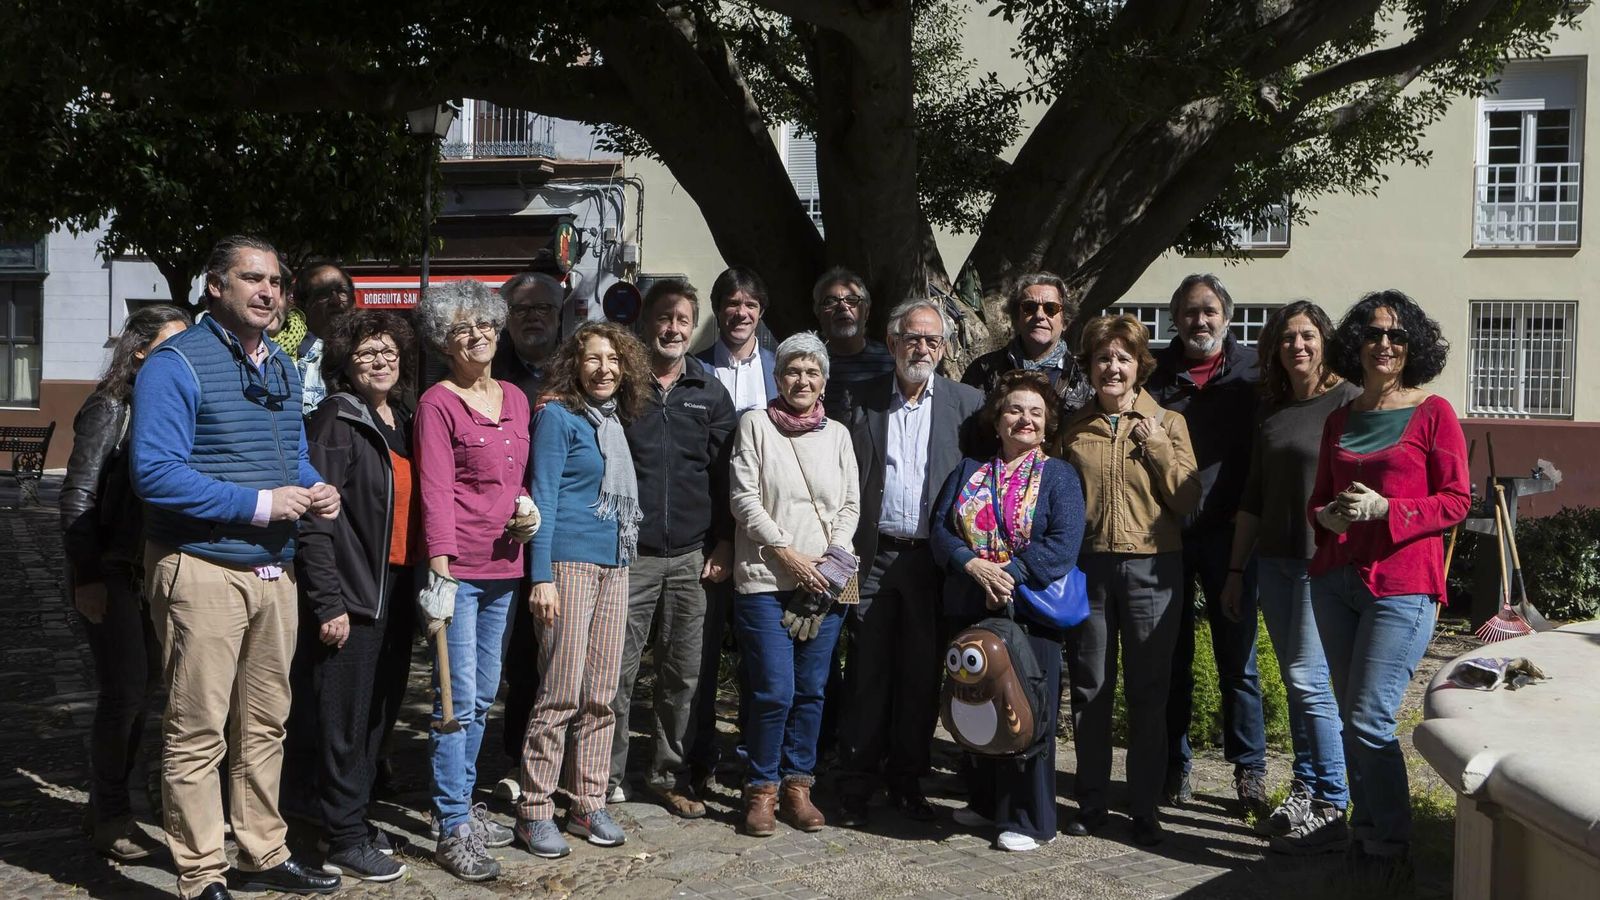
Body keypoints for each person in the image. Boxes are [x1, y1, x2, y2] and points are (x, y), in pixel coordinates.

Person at [131, 235, 341, 899]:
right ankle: (200, 875)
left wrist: (314, 487)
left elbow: (290, 456)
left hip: (271, 570)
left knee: (264, 723)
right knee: (196, 729)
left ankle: (262, 852)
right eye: (253, 279)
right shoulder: (174, 363)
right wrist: (259, 504)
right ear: (215, 286)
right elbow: (155, 475)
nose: (269, 291)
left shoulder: (278, 363)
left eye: (277, 281)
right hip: (199, 567)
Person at [1309, 290, 1468, 876]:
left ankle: (1392, 848)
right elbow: (1320, 499)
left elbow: (1456, 501)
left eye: (1397, 336)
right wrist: (1323, 517)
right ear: (1357, 344)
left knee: (1371, 717)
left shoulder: (1434, 413)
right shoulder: (1339, 419)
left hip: (1401, 584)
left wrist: (1389, 510)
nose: (1384, 344)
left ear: (1413, 347)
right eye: (1373, 334)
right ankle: (1366, 832)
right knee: (1350, 713)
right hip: (1335, 582)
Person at [834, 299, 983, 827]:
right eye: (912, 339)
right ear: (893, 343)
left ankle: (907, 781)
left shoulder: (968, 403)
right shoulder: (860, 399)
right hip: (870, 557)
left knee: (921, 676)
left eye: (932, 341)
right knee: (867, 672)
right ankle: (856, 782)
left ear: (943, 349)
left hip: (930, 562)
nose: (922, 348)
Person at [1220, 301, 1359, 854]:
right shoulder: (1273, 413)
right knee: (1297, 680)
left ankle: (1331, 801)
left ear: (1324, 341)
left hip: (1319, 563)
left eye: (1307, 336)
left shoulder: (1348, 402)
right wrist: (1235, 569)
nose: (1297, 346)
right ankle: (1306, 788)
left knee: (1308, 680)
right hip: (1273, 562)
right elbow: (1252, 497)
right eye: (1286, 339)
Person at [290, 310, 423, 882]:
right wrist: (329, 602)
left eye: (389, 350)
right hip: (353, 590)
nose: (380, 360)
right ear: (345, 361)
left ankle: (354, 816)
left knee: (378, 713)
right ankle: (341, 835)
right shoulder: (336, 421)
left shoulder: (405, 419)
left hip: (396, 587)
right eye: (368, 351)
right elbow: (314, 521)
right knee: (342, 717)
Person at [1059, 314, 1200, 847]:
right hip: (1090, 569)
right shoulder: (1072, 427)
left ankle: (1144, 808)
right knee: (1091, 690)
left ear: (1140, 365)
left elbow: (1188, 500)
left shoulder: (1170, 422)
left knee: (1148, 692)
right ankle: (1091, 803)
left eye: (1122, 357)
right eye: (1102, 358)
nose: (1112, 367)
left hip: (1153, 569)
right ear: (1090, 367)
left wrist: (1156, 446)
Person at [930, 370, 1085, 852]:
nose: (1025, 419)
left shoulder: (1059, 475)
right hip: (973, 603)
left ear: (1047, 425)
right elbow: (941, 529)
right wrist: (972, 564)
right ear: (997, 420)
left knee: (1027, 709)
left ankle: (1032, 818)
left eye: (1036, 413)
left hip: (1029, 612)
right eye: (1015, 410)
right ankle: (984, 802)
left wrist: (1009, 574)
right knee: (979, 704)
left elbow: (1063, 545)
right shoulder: (969, 470)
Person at [516, 322, 651, 858]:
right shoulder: (557, 417)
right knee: (561, 692)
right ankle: (534, 809)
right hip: (567, 565)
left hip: (615, 564)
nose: (604, 369)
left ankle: (588, 801)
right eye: (593, 358)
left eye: (614, 359)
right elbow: (542, 497)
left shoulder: (614, 422)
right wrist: (540, 575)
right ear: (575, 365)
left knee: (602, 694)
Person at [61, 304, 190, 862]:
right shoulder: (111, 406)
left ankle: (115, 802)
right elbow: (77, 497)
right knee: (125, 693)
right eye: (171, 345)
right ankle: (111, 812)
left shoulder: (171, 408)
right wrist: (85, 576)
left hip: (156, 571)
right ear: (140, 351)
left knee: (146, 695)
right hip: (112, 570)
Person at [414, 279, 533, 882]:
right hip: (456, 569)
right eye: (462, 328)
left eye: (484, 324)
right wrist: (439, 570)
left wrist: (527, 506)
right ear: (443, 340)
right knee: (453, 698)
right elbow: (435, 489)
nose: (477, 335)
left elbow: (518, 478)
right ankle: (451, 823)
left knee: (484, 693)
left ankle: (460, 803)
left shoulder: (514, 397)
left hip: (506, 566)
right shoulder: (438, 401)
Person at [610, 281, 737, 818]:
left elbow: (729, 476)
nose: (674, 329)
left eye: (684, 320)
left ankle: (668, 774)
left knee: (683, 673)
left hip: (692, 556)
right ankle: (604, 776)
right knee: (614, 671)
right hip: (627, 554)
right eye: (664, 318)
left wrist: (725, 542)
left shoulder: (709, 393)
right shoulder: (621, 388)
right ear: (647, 324)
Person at [1144, 273, 1268, 814]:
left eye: (1210, 311)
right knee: (1172, 658)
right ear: (1175, 318)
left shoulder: (1253, 375)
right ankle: (1176, 765)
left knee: (1236, 661)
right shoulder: (1153, 374)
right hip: (1167, 534)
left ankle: (1250, 772)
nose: (1200, 321)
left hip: (1230, 536)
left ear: (1227, 316)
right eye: (1190, 312)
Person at [728, 332, 860, 837]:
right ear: (777, 376)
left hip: (824, 582)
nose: (802, 380)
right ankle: (761, 788)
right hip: (766, 579)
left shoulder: (839, 435)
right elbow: (744, 499)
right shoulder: (756, 425)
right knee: (773, 691)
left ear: (824, 379)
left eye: (812, 372)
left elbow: (850, 503)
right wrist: (787, 552)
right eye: (792, 371)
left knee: (811, 690)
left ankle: (797, 786)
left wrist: (829, 560)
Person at [688, 265, 778, 792]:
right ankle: (700, 755)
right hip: (709, 526)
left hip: (766, 531)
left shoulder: (779, 368)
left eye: (750, 304)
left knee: (759, 655)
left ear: (760, 312)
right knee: (700, 649)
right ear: (718, 310)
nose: (740, 312)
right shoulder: (697, 369)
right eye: (731, 303)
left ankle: (755, 756)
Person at [490, 269, 566, 804]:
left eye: (544, 308)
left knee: (565, 656)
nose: (534, 317)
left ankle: (562, 761)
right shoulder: (489, 373)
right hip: (507, 537)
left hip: (568, 536)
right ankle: (518, 761)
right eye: (523, 310)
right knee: (519, 655)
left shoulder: (578, 370)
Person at [960, 273, 1092, 417]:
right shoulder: (982, 370)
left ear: (1065, 321)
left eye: (1051, 308)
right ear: (1016, 318)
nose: (1040, 315)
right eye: (1029, 307)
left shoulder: (1086, 376)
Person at [813, 266, 894, 402]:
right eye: (831, 301)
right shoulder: (811, 364)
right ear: (818, 313)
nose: (843, 307)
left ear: (866, 312)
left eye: (852, 300)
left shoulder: (890, 362)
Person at [290, 262, 356, 416]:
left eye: (342, 291)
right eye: (323, 294)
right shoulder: (287, 356)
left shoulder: (373, 351)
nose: (336, 301)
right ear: (301, 304)